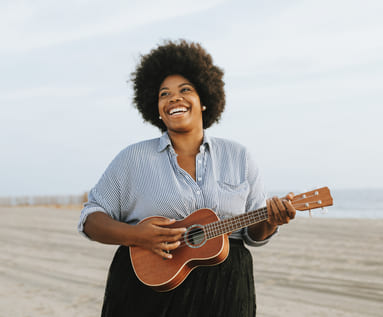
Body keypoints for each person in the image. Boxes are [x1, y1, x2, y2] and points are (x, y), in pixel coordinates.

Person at [78, 39, 296, 316]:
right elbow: (91, 218)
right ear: (156, 108)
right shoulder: (131, 159)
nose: (174, 98)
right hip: (148, 290)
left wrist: (270, 221)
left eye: (185, 90)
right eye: (163, 94)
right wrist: (136, 235)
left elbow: (255, 234)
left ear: (204, 99)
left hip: (227, 290)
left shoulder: (239, 157)